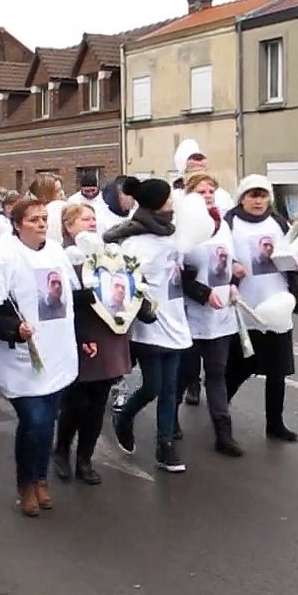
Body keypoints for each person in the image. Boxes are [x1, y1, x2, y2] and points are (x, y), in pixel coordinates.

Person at [0, 198, 80, 516]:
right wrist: (14, 329)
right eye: (33, 219)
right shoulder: (2, 258)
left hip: (58, 352)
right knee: (33, 421)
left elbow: (73, 297)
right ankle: (26, 483)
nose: (41, 224)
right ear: (16, 224)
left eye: (43, 218)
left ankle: (41, 479)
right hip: (24, 358)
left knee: (47, 420)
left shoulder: (55, 253)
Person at [53, 203, 151, 485]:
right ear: (69, 227)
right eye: (84, 219)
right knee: (76, 400)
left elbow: (128, 285)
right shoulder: (63, 257)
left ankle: (85, 458)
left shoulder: (111, 255)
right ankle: (61, 450)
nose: (92, 222)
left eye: (94, 218)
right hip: (83, 333)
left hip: (109, 332)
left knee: (98, 402)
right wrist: (82, 300)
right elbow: (58, 301)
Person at [104, 177, 191, 472]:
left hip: (176, 320)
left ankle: (165, 445)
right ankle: (124, 416)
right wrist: (142, 307)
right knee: (153, 386)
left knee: (170, 389)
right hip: (150, 324)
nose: (173, 203)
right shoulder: (135, 241)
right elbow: (125, 281)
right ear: (157, 203)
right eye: (168, 199)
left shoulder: (173, 235)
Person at [223, 175, 298, 442]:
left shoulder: (279, 222)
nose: (258, 201)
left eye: (262, 195)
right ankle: (219, 412)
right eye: (252, 195)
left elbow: (293, 253)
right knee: (237, 368)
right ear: (242, 198)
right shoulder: (229, 222)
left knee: (277, 370)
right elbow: (217, 254)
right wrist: (231, 268)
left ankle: (275, 423)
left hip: (278, 304)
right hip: (244, 307)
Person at [179, 171, 244, 456]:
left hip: (221, 317)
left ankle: (223, 433)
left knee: (217, 373)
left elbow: (229, 263)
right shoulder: (180, 227)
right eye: (201, 191)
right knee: (185, 374)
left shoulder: (223, 226)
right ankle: (169, 423)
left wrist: (234, 282)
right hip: (191, 316)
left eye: (210, 191)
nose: (207, 196)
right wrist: (203, 294)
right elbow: (177, 276)